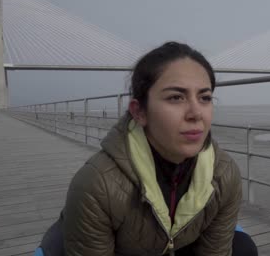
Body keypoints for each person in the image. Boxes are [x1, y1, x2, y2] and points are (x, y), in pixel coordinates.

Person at [36, 42, 258, 256]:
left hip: (177, 246)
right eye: (176, 97)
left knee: (242, 248)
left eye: (205, 97)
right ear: (139, 111)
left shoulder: (223, 174)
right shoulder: (97, 185)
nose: (196, 113)